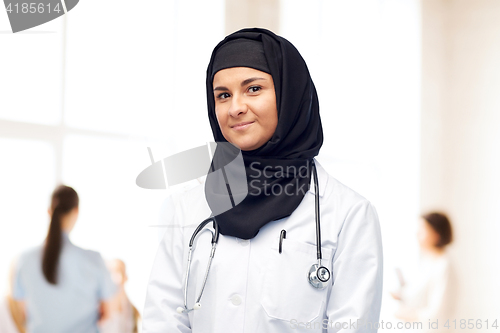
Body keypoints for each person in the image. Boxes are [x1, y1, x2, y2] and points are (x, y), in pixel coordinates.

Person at [143, 28, 383, 332]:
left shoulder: (347, 214)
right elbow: (163, 320)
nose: (235, 108)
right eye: (223, 95)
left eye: (253, 89)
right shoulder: (187, 207)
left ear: (289, 95)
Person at [12, 185, 117, 333]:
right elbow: (107, 313)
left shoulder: (25, 259)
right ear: (76, 211)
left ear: (49, 211)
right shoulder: (93, 259)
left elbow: (22, 313)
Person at [392, 212, 456, 332]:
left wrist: (410, 314)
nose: (417, 234)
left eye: (422, 230)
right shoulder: (427, 262)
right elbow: (418, 294)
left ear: (436, 234)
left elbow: (438, 312)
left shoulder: (443, 266)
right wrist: (401, 294)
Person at [99, 259, 140, 333]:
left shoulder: (133, 311)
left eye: (117, 271)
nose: (113, 276)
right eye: (110, 272)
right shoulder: (99, 308)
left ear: (125, 277)